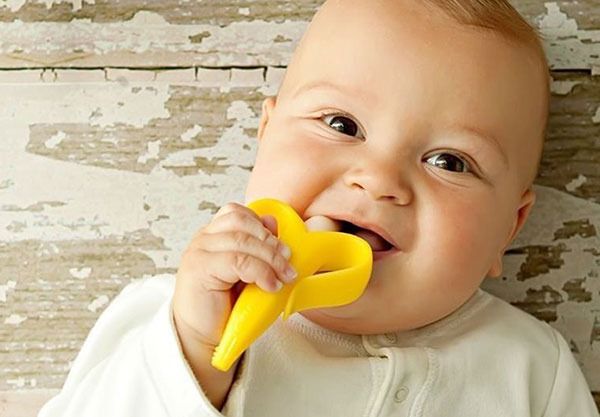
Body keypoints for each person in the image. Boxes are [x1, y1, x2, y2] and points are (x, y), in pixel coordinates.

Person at [38, 0, 599, 416]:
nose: (378, 179)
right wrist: (196, 354)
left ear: (509, 228)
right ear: (265, 135)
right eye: (341, 124)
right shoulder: (172, 318)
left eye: (449, 161)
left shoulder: (533, 369)